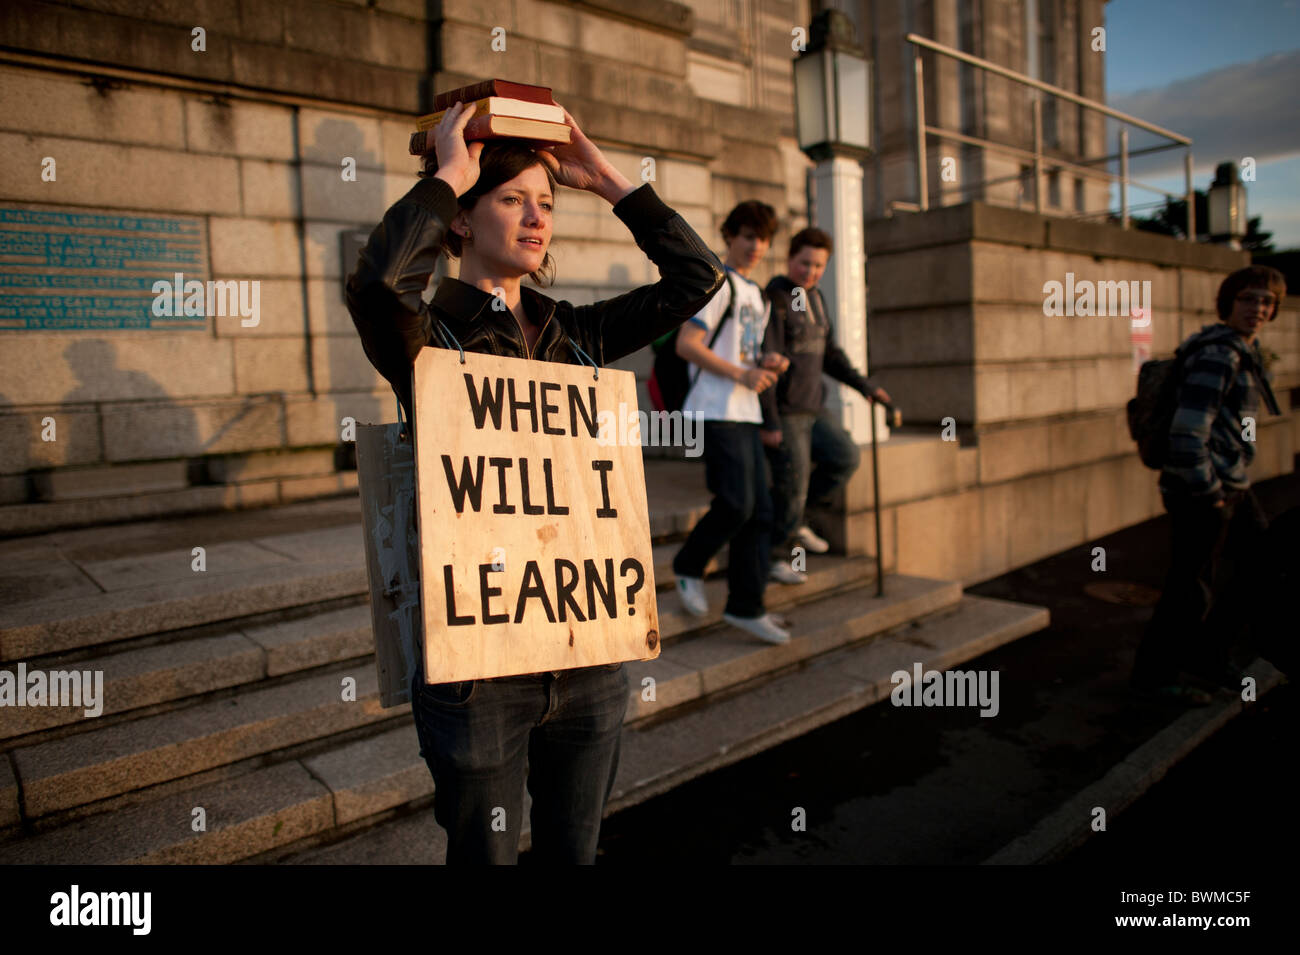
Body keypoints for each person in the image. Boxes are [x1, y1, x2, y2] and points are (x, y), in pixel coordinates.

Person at [346, 100, 725, 862]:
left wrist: (611, 182)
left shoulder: (577, 332)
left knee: (573, 856)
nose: (536, 218)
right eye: (512, 199)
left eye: (546, 203)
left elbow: (697, 278)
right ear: (461, 218)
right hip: (480, 671)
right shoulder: (428, 338)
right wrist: (450, 173)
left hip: (588, 654)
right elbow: (378, 288)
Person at [1130, 265, 1285, 705]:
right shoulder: (1220, 354)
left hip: (1229, 481)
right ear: (1228, 303)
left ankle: (1208, 656)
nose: (1257, 309)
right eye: (1248, 299)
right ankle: (1153, 681)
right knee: (1189, 588)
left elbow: (1242, 423)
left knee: (1259, 565)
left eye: (1266, 302)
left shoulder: (1240, 350)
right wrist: (1211, 490)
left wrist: (1242, 456)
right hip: (1202, 489)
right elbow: (1187, 431)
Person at [670, 200, 793, 644]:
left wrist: (765, 361)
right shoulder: (716, 283)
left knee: (760, 511)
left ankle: (746, 605)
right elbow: (688, 344)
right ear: (729, 236)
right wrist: (743, 372)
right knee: (737, 504)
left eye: (763, 238)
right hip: (714, 408)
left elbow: (738, 349)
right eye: (748, 236)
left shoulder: (757, 295)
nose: (756, 246)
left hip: (745, 410)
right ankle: (688, 563)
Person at [759, 228, 891, 572]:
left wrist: (865, 387)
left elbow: (830, 354)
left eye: (819, 265)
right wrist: (769, 420)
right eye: (805, 263)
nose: (811, 271)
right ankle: (775, 555)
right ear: (790, 258)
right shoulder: (774, 299)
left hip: (814, 408)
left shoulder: (816, 298)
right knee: (793, 483)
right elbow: (766, 362)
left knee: (845, 458)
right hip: (786, 413)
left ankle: (798, 521)